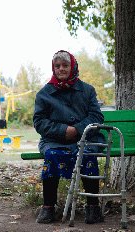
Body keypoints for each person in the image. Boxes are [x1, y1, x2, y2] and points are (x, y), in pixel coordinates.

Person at [33, 50, 105, 224]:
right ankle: (48, 207)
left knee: (88, 155)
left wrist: (78, 129)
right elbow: (39, 122)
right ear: (53, 68)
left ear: (73, 67)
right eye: (57, 66)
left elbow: (96, 116)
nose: (61, 69)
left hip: (85, 138)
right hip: (55, 140)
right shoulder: (44, 93)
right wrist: (63, 130)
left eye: (65, 65)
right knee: (51, 156)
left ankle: (93, 207)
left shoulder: (87, 90)